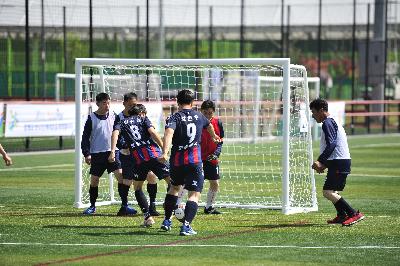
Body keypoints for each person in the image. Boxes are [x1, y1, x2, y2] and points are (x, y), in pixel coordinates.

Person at [158, 89, 221, 236]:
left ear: (177, 102)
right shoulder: (199, 116)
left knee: (174, 188)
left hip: (177, 162)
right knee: (194, 194)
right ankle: (186, 226)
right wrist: (213, 136)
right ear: (193, 102)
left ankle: (167, 220)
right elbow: (209, 125)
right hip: (194, 161)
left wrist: (165, 153)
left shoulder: (174, 117)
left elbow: (168, 133)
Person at [109, 104, 170, 227]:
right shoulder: (143, 118)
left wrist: (112, 152)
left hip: (139, 159)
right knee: (173, 183)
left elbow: (115, 134)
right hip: (154, 155)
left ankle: (148, 218)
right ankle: (171, 207)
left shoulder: (122, 121)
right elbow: (152, 132)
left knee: (137, 187)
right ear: (141, 113)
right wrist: (164, 149)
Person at [310, 98, 364, 226]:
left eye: (314, 112)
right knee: (330, 191)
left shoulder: (327, 123)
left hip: (339, 162)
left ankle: (353, 214)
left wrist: (320, 161)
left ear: (321, 110)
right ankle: (341, 215)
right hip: (338, 161)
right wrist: (324, 164)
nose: (313, 116)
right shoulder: (332, 121)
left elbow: (332, 144)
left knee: (328, 192)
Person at [81, 92, 137, 216]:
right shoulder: (91, 118)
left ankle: (124, 205)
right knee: (94, 180)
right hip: (97, 154)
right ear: (98, 104)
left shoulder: (114, 115)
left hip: (114, 152)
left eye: (108, 102)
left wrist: (123, 145)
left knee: (121, 177)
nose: (107, 105)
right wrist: (87, 154)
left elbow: (121, 133)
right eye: (104, 103)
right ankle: (92, 206)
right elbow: (85, 138)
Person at [117, 92, 163, 216]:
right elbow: (116, 136)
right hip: (127, 154)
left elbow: (148, 133)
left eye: (135, 104)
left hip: (142, 154)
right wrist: (125, 145)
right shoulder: (120, 118)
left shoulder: (141, 117)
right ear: (124, 103)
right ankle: (124, 206)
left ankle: (152, 206)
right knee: (127, 180)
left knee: (151, 176)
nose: (133, 107)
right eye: (131, 104)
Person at [176, 100, 224, 214]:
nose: (208, 115)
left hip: (211, 158)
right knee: (188, 183)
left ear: (214, 112)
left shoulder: (218, 123)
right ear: (201, 111)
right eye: (205, 113)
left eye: (210, 113)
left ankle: (209, 207)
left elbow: (220, 140)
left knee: (215, 183)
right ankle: (177, 204)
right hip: (196, 158)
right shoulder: (197, 122)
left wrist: (216, 153)